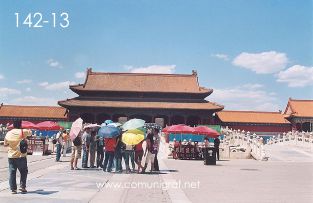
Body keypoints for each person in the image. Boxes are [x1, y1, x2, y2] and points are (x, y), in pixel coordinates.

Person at [4, 119, 32, 194]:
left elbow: (5, 144)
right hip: (21, 156)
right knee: (23, 171)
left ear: (13, 125)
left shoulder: (8, 133)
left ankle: (13, 189)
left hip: (11, 156)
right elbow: (30, 133)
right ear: (20, 125)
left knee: (12, 172)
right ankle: (22, 187)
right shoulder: (23, 131)